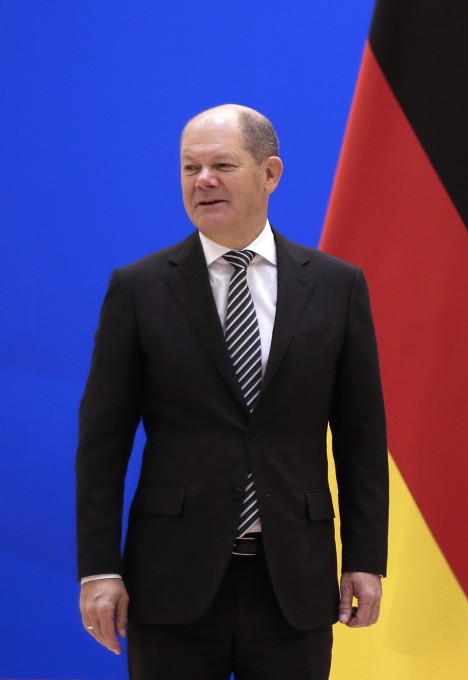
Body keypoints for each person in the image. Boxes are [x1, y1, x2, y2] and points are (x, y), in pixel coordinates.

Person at [76, 104, 388, 679]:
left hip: (293, 579)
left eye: (222, 164)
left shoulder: (336, 286)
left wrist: (366, 559)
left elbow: (361, 437)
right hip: (172, 579)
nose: (203, 181)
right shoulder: (139, 288)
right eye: (189, 168)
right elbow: (101, 446)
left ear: (270, 174)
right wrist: (98, 569)